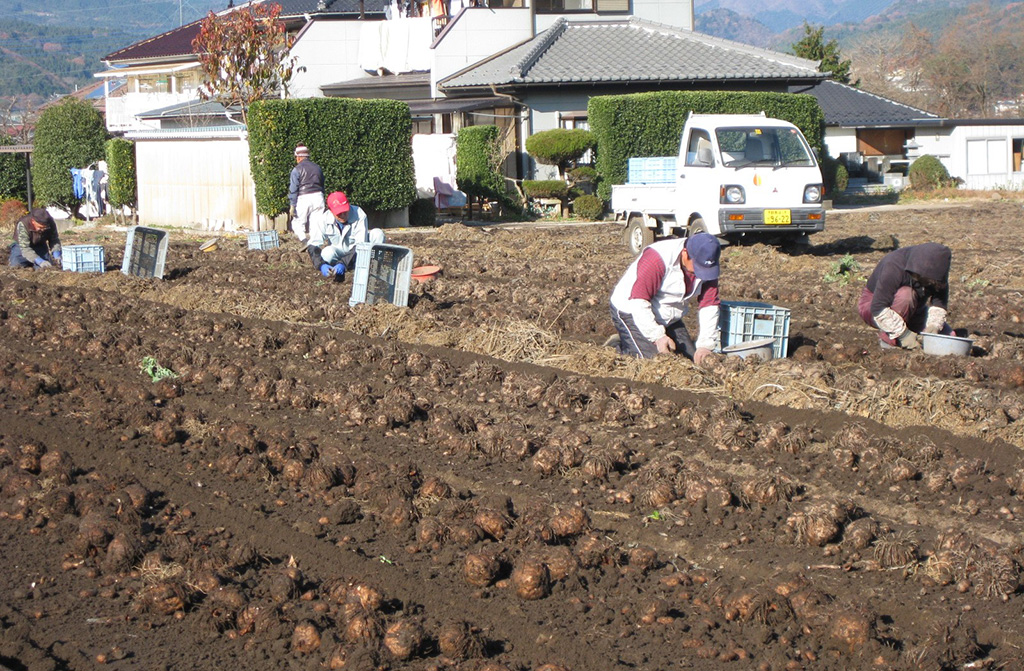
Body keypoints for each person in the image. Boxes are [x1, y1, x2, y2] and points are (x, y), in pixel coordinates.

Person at [608, 233, 722, 363]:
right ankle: (619, 347)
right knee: (652, 362)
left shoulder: (709, 265)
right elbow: (638, 301)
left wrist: (705, 346)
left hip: (668, 315)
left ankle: (633, 342)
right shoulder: (657, 259)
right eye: (697, 267)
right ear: (685, 253)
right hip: (631, 309)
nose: (699, 273)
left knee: (690, 360)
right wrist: (657, 336)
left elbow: (709, 304)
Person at [858, 242, 953, 350]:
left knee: (949, 337)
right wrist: (904, 335)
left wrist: (934, 326)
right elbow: (878, 307)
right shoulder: (894, 265)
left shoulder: (937, 274)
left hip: (915, 308)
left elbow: (939, 304)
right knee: (906, 295)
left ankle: (910, 330)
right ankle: (889, 340)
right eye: (929, 281)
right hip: (874, 306)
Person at [306, 191, 385, 280]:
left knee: (378, 234)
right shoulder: (323, 219)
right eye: (339, 213)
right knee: (326, 253)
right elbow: (313, 245)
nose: (343, 215)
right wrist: (321, 265)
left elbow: (360, 245)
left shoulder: (359, 214)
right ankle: (334, 269)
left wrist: (343, 263)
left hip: (359, 252)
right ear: (331, 210)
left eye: (345, 211)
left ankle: (375, 266)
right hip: (338, 250)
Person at [288, 144, 325, 243]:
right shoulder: (318, 168)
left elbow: (293, 188)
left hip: (303, 198)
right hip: (318, 197)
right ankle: (315, 243)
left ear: (299, 157)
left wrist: (292, 204)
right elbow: (322, 184)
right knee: (316, 223)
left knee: (298, 222)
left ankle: (304, 241)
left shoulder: (296, 169)